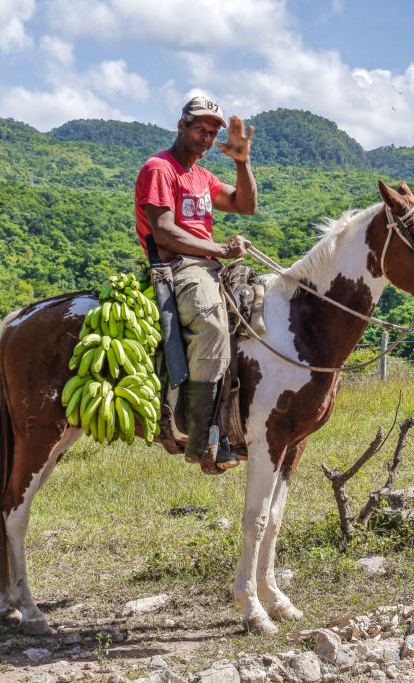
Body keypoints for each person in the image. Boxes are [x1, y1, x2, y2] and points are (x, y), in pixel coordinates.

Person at [135, 96, 256, 471]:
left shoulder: (202, 177)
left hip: (210, 265)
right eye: (200, 129)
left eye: (212, 133)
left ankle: (240, 421)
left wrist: (242, 161)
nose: (206, 137)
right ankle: (200, 440)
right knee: (213, 325)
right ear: (181, 126)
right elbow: (165, 232)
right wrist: (220, 248)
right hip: (178, 267)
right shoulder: (160, 168)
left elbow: (244, 205)